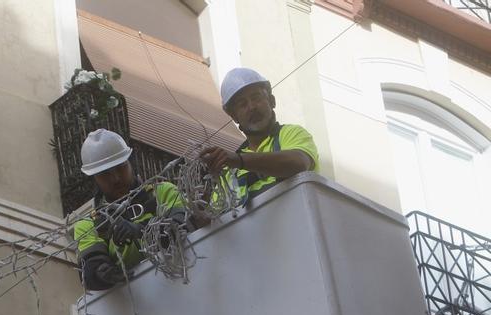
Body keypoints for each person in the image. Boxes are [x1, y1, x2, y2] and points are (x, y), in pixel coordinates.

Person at [72, 129, 187, 291]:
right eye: (105, 174)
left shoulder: (163, 192)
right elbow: (90, 268)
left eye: (120, 168)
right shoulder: (88, 225)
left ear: (130, 163)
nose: (116, 179)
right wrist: (101, 273)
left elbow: (183, 225)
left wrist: (141, 230)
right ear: (95, 179)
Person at [200, 67, 318, 204]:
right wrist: (200, 201)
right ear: (234, 117)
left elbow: (299, 163)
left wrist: (240, 161)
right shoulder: (229, 171)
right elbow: (217, 218)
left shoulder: (290, 134)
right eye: (242, 104)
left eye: (256, 98)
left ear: (272, 101)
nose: (251, 107)